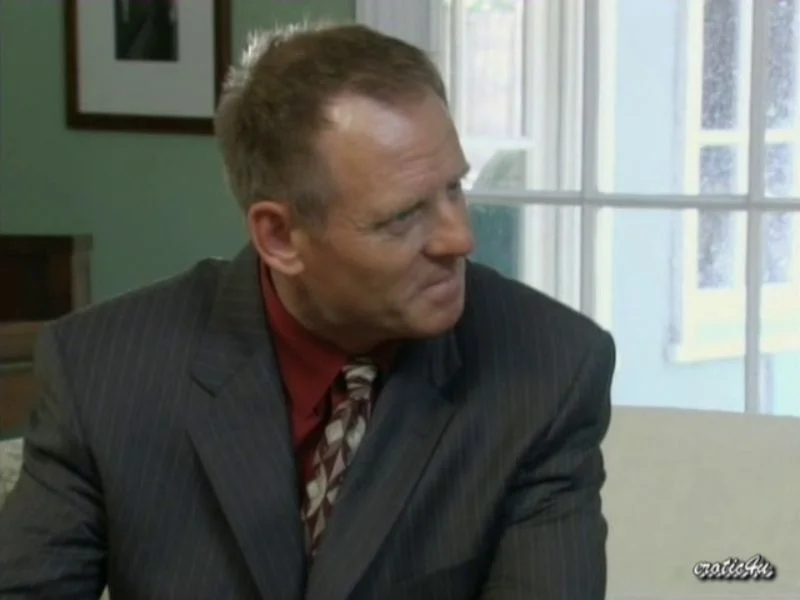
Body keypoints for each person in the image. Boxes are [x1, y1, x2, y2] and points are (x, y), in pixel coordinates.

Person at [0, 21, 616, 600]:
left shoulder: (549, 368)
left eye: (454, 188)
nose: (460, 238)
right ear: (279, 238)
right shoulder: (101, 371)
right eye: (403, 216)